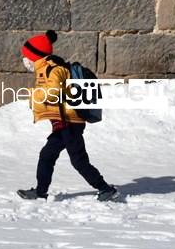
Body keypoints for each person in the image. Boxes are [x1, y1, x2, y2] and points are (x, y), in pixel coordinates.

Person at [16, 30, 119, 202]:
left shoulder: (54, 70)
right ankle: (40, 192)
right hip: (62, 123)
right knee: (47, 156)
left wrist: (34, 94)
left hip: (70, 123)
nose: (24, 60)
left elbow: (54, 91)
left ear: (35, 56)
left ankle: (105, 189)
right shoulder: (45, 69)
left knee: (78, 161)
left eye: (26, 56)